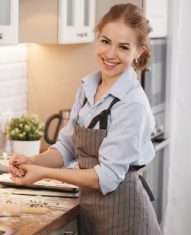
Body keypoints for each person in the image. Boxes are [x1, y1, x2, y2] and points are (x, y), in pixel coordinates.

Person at [9, 3, 161, 235]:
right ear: (97, 38)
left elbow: (105, 177)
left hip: (125, 215)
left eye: (123, 47)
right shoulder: (88, 86)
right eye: (105, 41)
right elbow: (66, 147)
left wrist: (44, 173)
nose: (110, 54)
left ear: (138, 52)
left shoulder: (132, 103)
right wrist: (33, 162)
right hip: (91, 211)